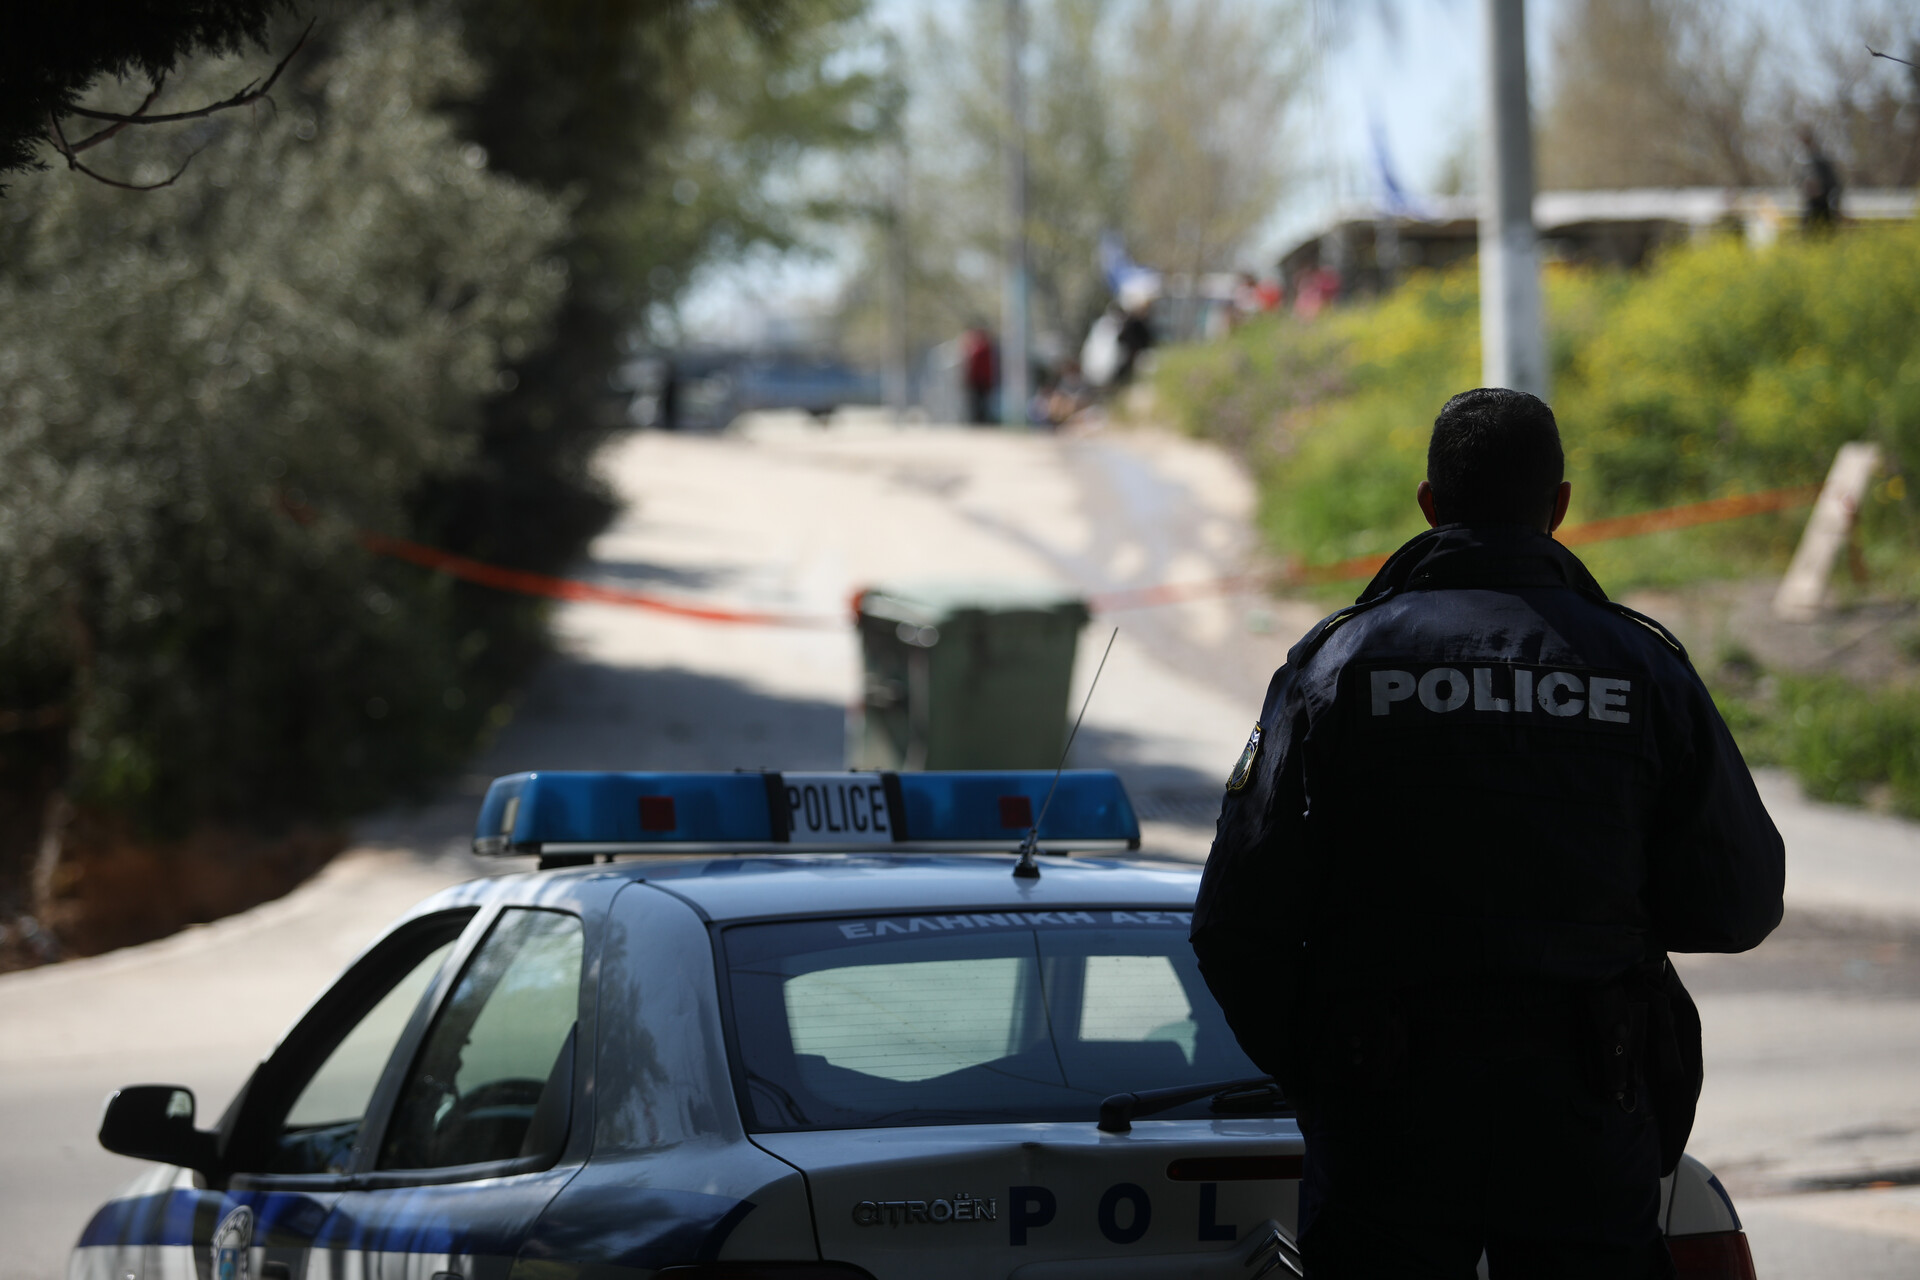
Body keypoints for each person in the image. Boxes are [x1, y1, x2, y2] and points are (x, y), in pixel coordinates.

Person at [1191, 388, 1784, 1278]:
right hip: (1587, 1112)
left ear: (1429, 505)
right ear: (1559, 507)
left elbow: (1235, 922)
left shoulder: (1338, 666)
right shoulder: (1642, 669)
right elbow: (1740, 903)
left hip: (1386, 1111)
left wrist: (1328, 1070)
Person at [1798, 126, 1841, 233]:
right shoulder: (1802, 160)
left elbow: (1834, 183)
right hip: (1811, 203)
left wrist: (1823, 191)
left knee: (1826, 230)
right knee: (1809, 230)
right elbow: (1798, 182)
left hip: (1823, 202)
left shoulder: (1822, 160)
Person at [961, 323, 998, 425]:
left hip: (982, 379)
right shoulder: (980, 348)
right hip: (978, 380)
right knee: (977, 401)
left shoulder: (982, 349)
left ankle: (981, 419)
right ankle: (978, 419)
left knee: (982, 401)